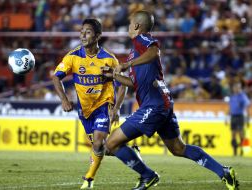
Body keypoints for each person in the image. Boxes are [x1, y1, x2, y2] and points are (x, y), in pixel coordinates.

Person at [102, 10, 239, 190]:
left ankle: (148, 176)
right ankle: (224, 172)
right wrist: (113, 76)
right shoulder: (135, 51)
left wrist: (127, 65)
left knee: (111, 144)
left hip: (153, 106)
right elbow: (134, 84)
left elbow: (154, 52)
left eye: (129, 24)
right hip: (162, 104)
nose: (128, 27)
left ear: (136, 26)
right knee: (178, 148)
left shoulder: (141, 40)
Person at [52, 18, 124, 189]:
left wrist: (116, 107)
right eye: (82, 31)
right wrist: (64, 99)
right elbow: (56, 77)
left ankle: (89, 179)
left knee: (98, 142)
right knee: (102, 148)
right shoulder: (73, 57)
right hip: (84, 110)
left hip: (103, 105)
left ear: (98, 36)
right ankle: (127, 149)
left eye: (88, 31)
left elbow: (123, 86)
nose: (83, 35)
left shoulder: (109, 59)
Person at [226, 82, 250, 156]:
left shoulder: (242, 96)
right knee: (233, 134)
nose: (236, 89)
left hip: (240, 116)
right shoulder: (232, 97)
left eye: (237, 88)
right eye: (235, 88)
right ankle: (234, 152)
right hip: (233, 116)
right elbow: (230, 108)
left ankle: (242, 151)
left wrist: (248, 119)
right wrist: (226, 117)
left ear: (239, 88)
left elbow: (247, 107)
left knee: (241, 134)